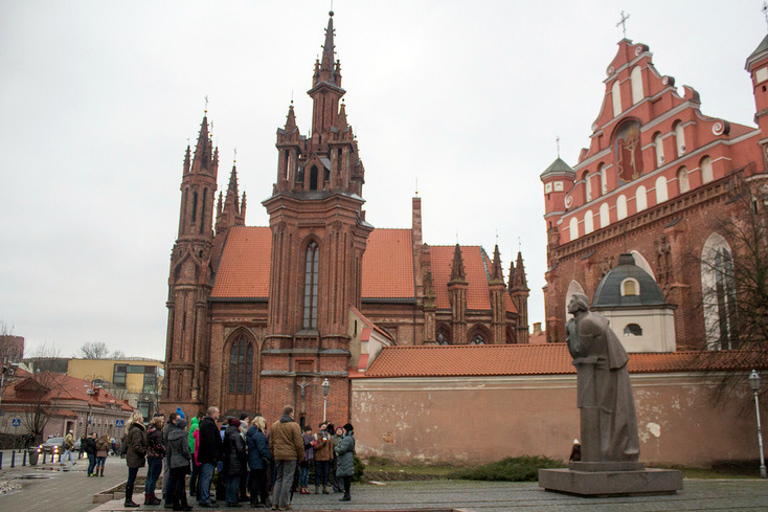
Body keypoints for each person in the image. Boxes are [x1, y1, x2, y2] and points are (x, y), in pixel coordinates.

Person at [565, 293, 640, 462]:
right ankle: (597, 453)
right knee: (597, 407)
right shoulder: (574, 323)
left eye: (571, 302)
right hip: (591, 367)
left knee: (606, 407)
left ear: (579, 305)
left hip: (605, 367)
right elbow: (578, 351)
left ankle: (607, 451)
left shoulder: (588, 322)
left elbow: (582, 349)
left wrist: (570, 335)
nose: (568, 305)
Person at [269, 405, 304, 511]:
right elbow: (299, 443)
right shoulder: (294, 425)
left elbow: (271, 442)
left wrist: (274, 453)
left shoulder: (275, 425)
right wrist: (301, 456)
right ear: (291, 413)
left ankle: (275, 503)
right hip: (291, 455)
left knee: (278, 479)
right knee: (287, 479)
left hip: (278, 455)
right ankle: (284, 504)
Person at [197, 406, 223, 507]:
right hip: (208, 456)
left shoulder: (206, 423)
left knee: (205, 477)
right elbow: (210, 441)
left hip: (206, 455)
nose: (219, 414)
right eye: (217, 413)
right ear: (212, 414)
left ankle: (203, 497)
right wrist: (215, 455)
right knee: (206, 477)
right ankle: (204, 499)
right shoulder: (209, 424)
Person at [167, 417, 192, 511]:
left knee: (174, 483)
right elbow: (185, 450)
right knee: (181, 484)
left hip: (173, 462)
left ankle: (176, 504)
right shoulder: (183, 435)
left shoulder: (170, 436)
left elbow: (168, 451)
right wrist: (189, 457)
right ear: (183, 426)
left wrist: (169, 462)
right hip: (182, 462)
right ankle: (183, 504)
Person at [246, 416, 272, 508]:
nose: (265, 424)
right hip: (258, 460)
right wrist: (271, 457)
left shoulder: (252, 432)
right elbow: (262, 449)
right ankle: (255, 501)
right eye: (264, 422)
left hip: (253, 460)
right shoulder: (259, 435)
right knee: (257, 481)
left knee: (255, 480)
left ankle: (255, 500)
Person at [123, 410, 147, 508]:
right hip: (134, 457)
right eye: (141, 417)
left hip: (132, 456)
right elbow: (137, 445)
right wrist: (144, 451)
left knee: (131, 478)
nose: (143, 418)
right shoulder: (136, 430)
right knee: (131, 479)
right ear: (138, 418)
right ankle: (128, 500)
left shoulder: (133, 429)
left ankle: (128, 499)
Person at [223, 417, 247, 507]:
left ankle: (228, 500)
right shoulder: (236, 435)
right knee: (235, 481)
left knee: (229, 481)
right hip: (236, 461)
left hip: (228, 460)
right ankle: (233, 500)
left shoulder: (227, 433)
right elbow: (240, 449)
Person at [145, 415, 165, 506]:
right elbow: (159, 446)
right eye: (162, 421)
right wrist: (165, 450)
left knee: (149, 477)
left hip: (150, 456)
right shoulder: (157, 433)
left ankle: (148, 496)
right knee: (153, 478)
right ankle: (150, 498)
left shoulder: (149, 431)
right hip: (156, 456)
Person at [334, 423, 355, 502]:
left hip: (345, 459)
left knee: (346, 478)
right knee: (347, 478)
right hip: (348, 458)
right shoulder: (351, 438)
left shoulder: (347, 439)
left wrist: (336, 448)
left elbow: (342, 449)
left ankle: (347, 494)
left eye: (343, 429)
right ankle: (347, 494)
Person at [312, 422, 333, 494]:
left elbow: (330, 447)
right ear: (319, 428)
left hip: (326, 458)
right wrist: (322, 444)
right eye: (323, 427)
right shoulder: (315, 436)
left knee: (325, 473)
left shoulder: (328, 436)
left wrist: (331, 456)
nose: (324, 428)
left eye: (325, 427)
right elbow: (314, 446)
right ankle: (317, 487)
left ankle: (325, 487)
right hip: (318, 457)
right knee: (318, 473)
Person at [188, 412, 204, 500]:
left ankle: (193, 489)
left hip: (194, 450)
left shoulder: (194, 424)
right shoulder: (195, 426)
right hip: (195, 451)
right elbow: (196, 439)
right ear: (199, 418)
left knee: (195, 471)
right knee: (195, 472)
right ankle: (192, 489)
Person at [238, 414, 250, 503]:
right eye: (246, 419)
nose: (248, 421)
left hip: (242, 457)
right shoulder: (242, 432)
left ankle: (242, 492)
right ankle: (242, 493)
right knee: (243, 476)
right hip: (242, 458)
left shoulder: (244, 431)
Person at [299, 425, 314, 494]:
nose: (310, 432)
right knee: (304, 473)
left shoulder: (311, 438)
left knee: (307, 474)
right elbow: (302, 448)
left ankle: (306, 487)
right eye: (308, 431)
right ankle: (302, 487)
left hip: (309, 458)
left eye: (310, 431)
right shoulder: (302, 438)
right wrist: (310, 444)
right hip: (304, 458)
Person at [331, 425, 344, 492]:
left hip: (342, 458)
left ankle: (341, 487)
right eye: (338, 430)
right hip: (335, 458)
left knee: (341, 474)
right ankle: (335, 487)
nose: (339, 431)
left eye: (340, 430)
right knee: (335, 472)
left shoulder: (344, 438)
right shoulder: (333, 438)